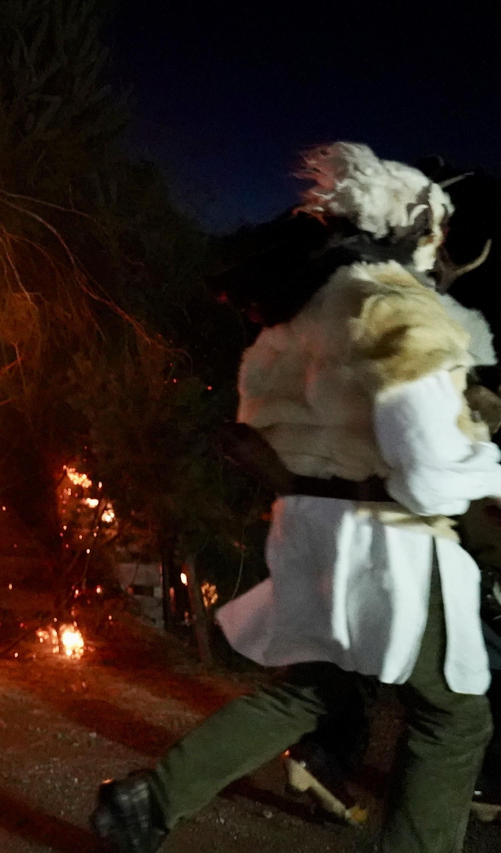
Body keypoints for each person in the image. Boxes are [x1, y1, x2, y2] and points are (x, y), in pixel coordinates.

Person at [94, 142, 501, 853]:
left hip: (311, 530)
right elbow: (432, 472)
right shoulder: (404, 310)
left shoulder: (305, 309)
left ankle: (148, 800)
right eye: (437, 230)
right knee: (454, 719)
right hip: (390, 547)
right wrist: (486, 460)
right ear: (414, 228)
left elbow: (264, 428)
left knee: (316, 690)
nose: (442, 248)